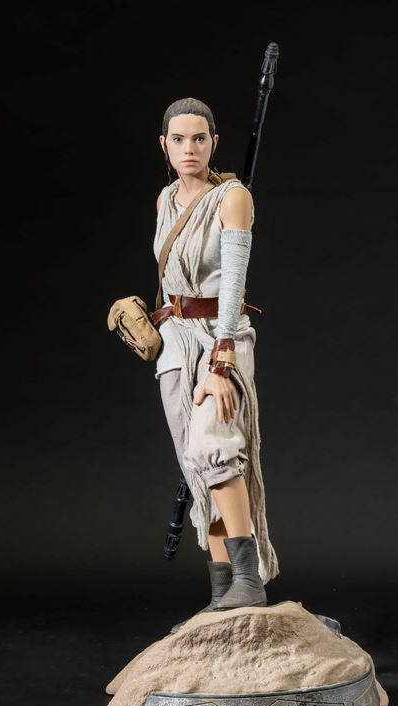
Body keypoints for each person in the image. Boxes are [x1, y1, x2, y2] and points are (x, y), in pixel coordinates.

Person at [153, 97, 279, 625]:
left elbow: (232, 282)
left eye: (199, 138)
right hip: (176, 341)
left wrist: (221, 358)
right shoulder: (165, 199)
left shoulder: (233, 197)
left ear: (214, 143)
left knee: (215, 447)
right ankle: (223, 589)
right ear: (164, 145)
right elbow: (167, 277)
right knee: (195, 465)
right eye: (179, 139)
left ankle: (249, 580)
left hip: (219, 337)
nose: (190, 148)